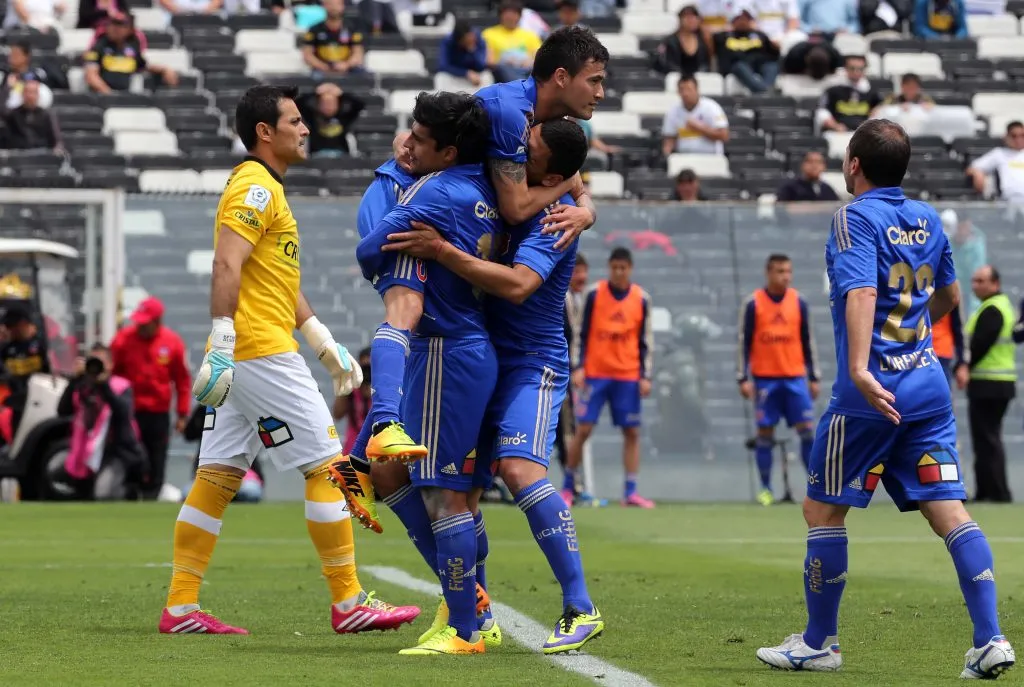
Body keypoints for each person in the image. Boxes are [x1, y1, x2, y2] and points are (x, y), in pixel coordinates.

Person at [756, 119, 1016, 679]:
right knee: (949, 511)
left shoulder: (852, 216)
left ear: (853, 164)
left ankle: (820, 642)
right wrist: (913, 336)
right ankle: (990, 638)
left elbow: (862, 291)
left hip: (869, 393)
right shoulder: (926, 217)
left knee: (823, 509)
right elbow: (947, 295)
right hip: (927, 386)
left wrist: (859, 366)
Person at [160, 84, 418, 636]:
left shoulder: (264, 187)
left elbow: (273, 278)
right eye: (295, 121)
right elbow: (226, 266)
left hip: (254, 349)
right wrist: (225, 340)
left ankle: (181, 607)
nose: (306, 129)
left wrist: (323, 340)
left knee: (217, 476)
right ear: (265, 132)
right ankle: (348, 602)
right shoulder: (255, 187)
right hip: (259, 351)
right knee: (328, 466)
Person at [385, 118, 604, 655]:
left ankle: (580, 607)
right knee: (448, 490)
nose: (514, 151)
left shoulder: (554, 218)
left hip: (533, 364)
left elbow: (519, 284)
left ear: (548, 170)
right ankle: (473, 612)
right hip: (481, 358)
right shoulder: (516, 188)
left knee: (518, 468)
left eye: (527, 149)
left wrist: (441, 252)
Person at [344, 91, 501, 656]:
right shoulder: (488, 185)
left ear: (447, 149)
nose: (409, 141)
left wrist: (378, 251)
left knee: (447, 498)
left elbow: (369, 249)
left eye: (421, 136)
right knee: (436, 488)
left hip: (444, 354)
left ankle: (466, 624)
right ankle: (472, 607)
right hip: (470, 349)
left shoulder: (429, 193)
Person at [474, 25, 606, 240]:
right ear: (561, 77)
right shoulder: (511, 112)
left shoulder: (550, 121)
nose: (600, 93)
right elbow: (515, 209)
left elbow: (580, 193)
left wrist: (586, 214)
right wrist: (569, 182)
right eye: (594, 81)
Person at [562, 247, 655, 508]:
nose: (618, 272)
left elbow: (645, 340)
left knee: (632, 431)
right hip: (596, 374)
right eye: (614, 267)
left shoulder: (641, 299)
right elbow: (581, 332)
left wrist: (646, 375)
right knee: (583, 430)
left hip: (627, 375)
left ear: (630, 269)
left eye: (623, 268)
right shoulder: (594, 294)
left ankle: (631, 491)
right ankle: (569, 487)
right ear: (609, 267)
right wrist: (577, 366)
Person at [738, 253, 820, 506]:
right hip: (765, 379)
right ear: (768, 273)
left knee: (807, 432)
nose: (785, 277)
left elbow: (808, 340)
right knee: (764, 433)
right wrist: (742, 377)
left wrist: (813, 375)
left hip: (795, 377)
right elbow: (744, 342)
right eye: (780, 271)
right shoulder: (754, 303)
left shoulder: (799, 302)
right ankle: (765, 489)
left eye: (788, 271)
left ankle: (815, 488)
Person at [110, 296, 192, 501]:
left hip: (158, 413)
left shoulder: (172, 343)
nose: (140, 327)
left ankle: (152, 496)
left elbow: (182, 381)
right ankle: (129, 493)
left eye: (145, 323)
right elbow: (112, 375)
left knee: (157, 457)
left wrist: (182, 414)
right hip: (130, 411)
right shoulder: (123, 340)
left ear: (157, 321)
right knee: (130, 455)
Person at [55, 344, 147, 500]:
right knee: (57, 474)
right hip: (84, 451)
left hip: (116, 452)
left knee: (103, 493)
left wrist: (103, 385)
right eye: (93, 361)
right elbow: (62, 410)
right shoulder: (82, 386)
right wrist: (74, 380)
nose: (96, 366)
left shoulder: (120, 386)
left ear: (110, 365)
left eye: (101, 362)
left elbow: (123, 413)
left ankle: (130, 494)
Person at [960, 265, 1016, 503]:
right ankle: (990, 490)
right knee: (988, 438)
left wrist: (964, 366)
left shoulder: (992, 309)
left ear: (995, 283)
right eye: (973, 281)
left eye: (981, 281)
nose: (975, 285)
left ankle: (995, 492)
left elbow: (980, 344)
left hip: (989, 382)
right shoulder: (996, 306)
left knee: (987, 439)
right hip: (997, 382)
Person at [555, 252, 588, 475]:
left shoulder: (581, 299)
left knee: (570, 427)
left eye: (584, 271)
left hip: (572, 373)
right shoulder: (561, 298)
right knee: (566, 428)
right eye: (576, 271)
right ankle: (571, 483)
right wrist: (573, 368)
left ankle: (573, 482)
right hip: (560, 373)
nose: (582, 276)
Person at [0, 306, 49, 438]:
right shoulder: (6, 349)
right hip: (16, 404)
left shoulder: (42, 345)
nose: (8, 330)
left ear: (23, 324)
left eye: (11, 325)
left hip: (40, 402)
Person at [332, 346, 371, 456]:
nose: (368, 373)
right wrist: (347, 380)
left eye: (371, 368)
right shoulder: (353, 387)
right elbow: (337, 414)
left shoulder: (384, 388)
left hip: (377, 451)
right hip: (353, 449)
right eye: (365, 368)